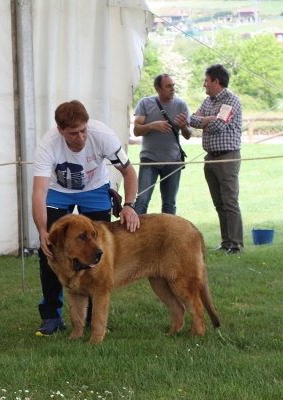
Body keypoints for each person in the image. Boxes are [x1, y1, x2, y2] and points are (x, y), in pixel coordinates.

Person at [32, 100, 140, 336]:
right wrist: (42, 231)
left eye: (83, 130)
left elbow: (129, 171)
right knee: (48, 250)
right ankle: (51, 316)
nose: (80, 137)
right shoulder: (47, 145)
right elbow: (39, 192)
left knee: (97, 246)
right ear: (60, 131)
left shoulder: (103, 136)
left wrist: (130, 205)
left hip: (95, 188)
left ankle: (94, 318)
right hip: (58, 192)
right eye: (73, 133)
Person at [189, 64, 243, 255]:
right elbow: (191, 119)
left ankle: (236, 244)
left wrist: (206, 121)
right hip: (210, 158)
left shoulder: (231, 101)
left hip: (227, 158)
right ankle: (226, 241)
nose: (204, 85)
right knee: (219, 203)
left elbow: (218, 126)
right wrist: (208, 119)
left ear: (216, 82)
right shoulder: (208, 101)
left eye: (206, 81)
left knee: (230, 202)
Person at [133, 74, 192, 215]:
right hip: (149, 161)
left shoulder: (181, 105)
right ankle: (136, 236)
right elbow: (136, 131)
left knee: (169, 204)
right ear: (157, 88)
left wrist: (184, 127)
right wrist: (152, 126)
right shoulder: (145, 103)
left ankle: (169, 235)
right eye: (168, 86)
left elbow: (188, 135)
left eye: (173, 85)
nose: (172, 89)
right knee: (142, 201)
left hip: (173, 161)